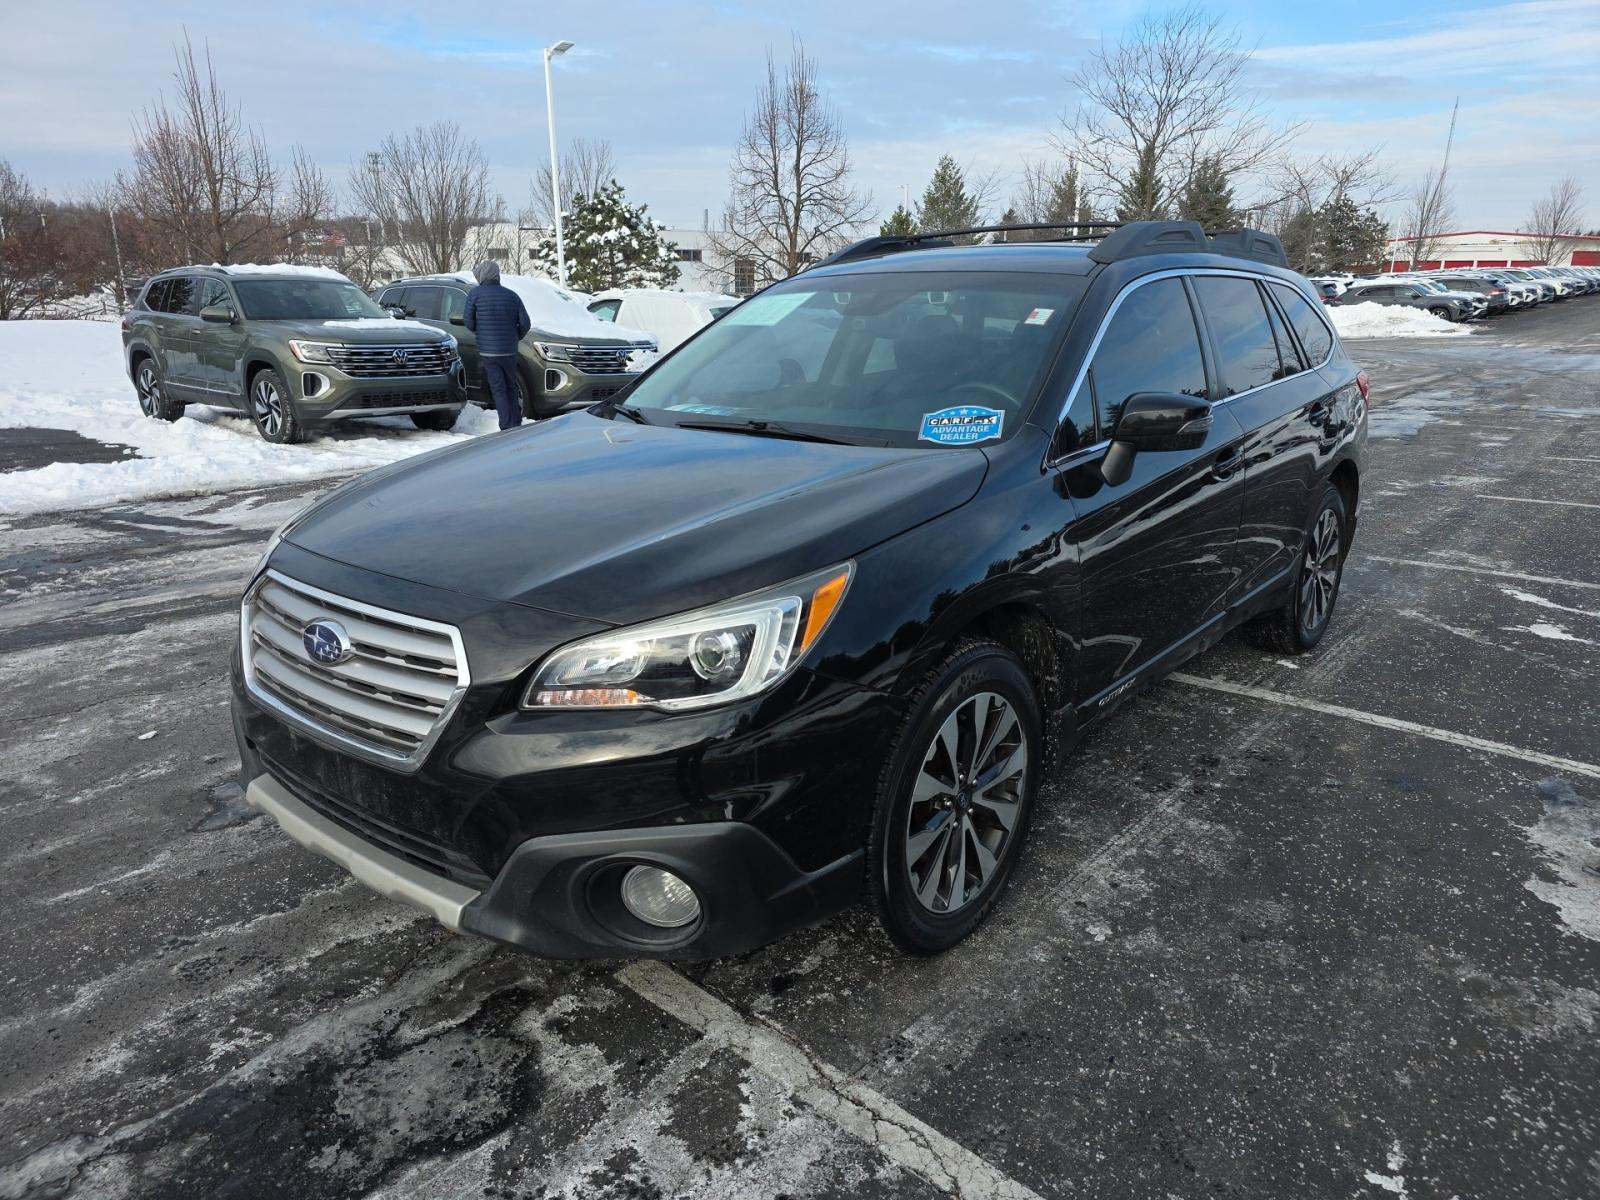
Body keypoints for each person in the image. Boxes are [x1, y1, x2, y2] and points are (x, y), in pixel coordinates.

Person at [463, 260, 532, 430]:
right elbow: (525, 323)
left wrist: (481, 332)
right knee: (511, 386)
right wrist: (515, 337)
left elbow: (468, 322)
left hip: (488, 352)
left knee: (498, 388)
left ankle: (506, 425)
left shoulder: (475, 294)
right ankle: (516, 422)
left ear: (482, 275)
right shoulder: (511, 295)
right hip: (509, 350)